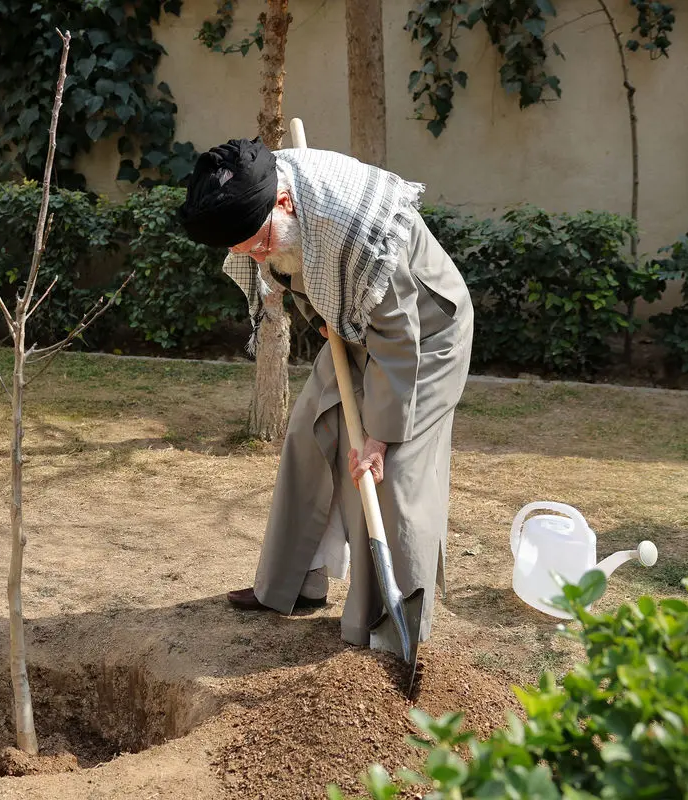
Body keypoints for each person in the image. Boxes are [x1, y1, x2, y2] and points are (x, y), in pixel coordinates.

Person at [176, 137, 474, 647]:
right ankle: (294, 583)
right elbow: (298, 275)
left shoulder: (356, 230)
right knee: (309, 431)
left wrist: (378, 437)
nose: (257, 256)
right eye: (244, 251)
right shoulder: (271, 207)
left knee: (392, 475)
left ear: (284, 203)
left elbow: (399, 339)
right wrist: (321, 317)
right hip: (355, 323)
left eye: (260, 245)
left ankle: (391, 628)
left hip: (425, 336)